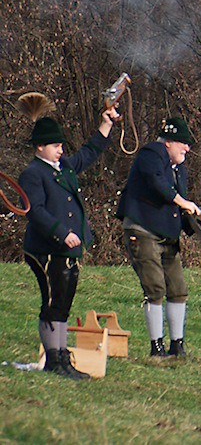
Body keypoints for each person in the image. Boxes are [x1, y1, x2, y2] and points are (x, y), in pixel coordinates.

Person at [17, 92, 118, 379]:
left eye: (61, 145)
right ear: (40, 147)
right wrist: (62, 234)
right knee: (52, 302)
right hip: (45, 248)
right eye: (56, 145)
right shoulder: (33, 173)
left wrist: (106, 125)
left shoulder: (63, 168)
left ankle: (61, 358)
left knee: (63, 302)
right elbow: (34, 210)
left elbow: (89, 151)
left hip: (67, 250)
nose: (61, 150)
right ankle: (53, 360)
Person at [116, 116, 201, 358]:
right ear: (168, 142)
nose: (187, 148)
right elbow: (158, 184)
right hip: (142, 231)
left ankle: (177, 345)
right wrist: (183, 202)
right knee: (155, 288)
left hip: (167, 235)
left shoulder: (179, 169)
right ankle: (156, 347)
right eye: (183, 143)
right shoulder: (151, 152)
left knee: (178, 289)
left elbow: (178, 203)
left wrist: (199, 225)